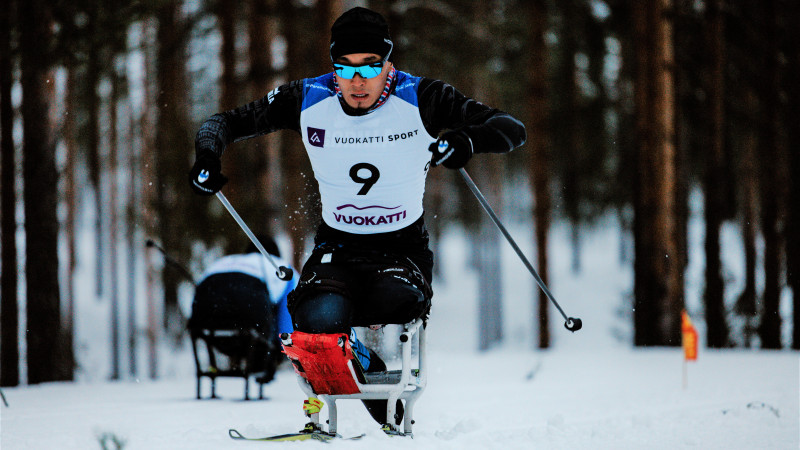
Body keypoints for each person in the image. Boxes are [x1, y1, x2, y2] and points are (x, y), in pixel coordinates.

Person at [189, 6, 525, 428]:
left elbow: (512, 128)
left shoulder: (422, 96)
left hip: (401, 248)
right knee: (316, 320)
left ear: (388, 62)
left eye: (371, 67)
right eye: (344, 68)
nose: (358, 81)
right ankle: (355, 392)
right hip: (338, 247)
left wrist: (467, 140)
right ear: (333, 66)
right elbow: (222, 123)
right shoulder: (307, 97)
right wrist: (207, 155)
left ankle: (385, 408)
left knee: (393, 302)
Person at [189, 235, 296, 379]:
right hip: (250, 314)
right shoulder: (280, 266)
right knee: (261, 322)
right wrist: (284, 347)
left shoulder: (225, 261)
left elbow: (200, 289)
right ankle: (262, 366)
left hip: (207, 317)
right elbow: (287, 310)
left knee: (248, 318)